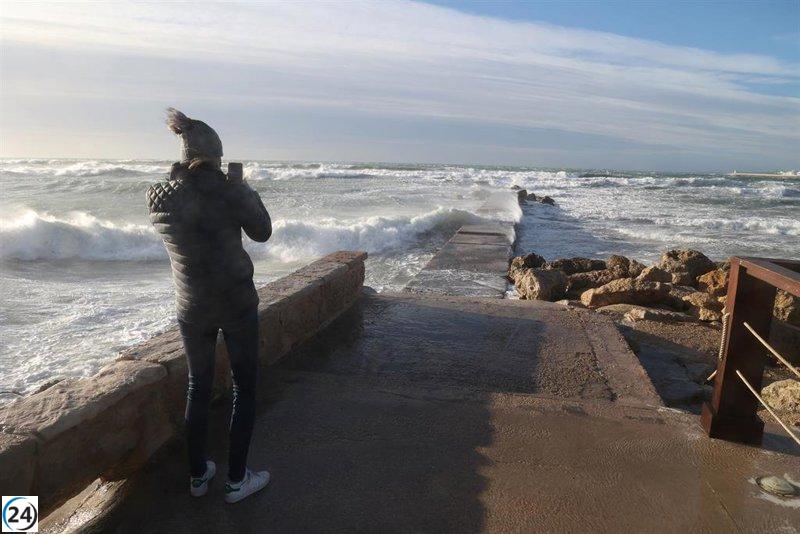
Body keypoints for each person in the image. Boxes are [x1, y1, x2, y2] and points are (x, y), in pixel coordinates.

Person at [146, 108, 272, 504]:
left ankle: (198, 475)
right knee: (244, 389)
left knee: (197, 386)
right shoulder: (229, 191)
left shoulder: (158, 195)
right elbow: (263, 231)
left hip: (192, 306)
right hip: (236, 303)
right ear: (217, 156)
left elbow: (189, 219)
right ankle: (236, 481)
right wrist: (243, 189)